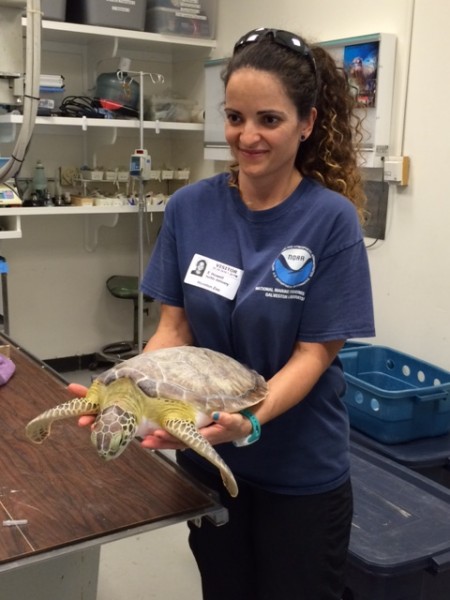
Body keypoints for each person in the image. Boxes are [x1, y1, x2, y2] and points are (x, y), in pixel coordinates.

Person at [80, 27, 375, 600]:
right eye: (235, 118)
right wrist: (122, 389)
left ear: (307, 123)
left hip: (300, 474)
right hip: (206, 460)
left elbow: (314, 355)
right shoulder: (192, 207)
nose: (248, 135)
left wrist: (253, 419)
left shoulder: (330, 221)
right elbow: (174, 329)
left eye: (269, 119)